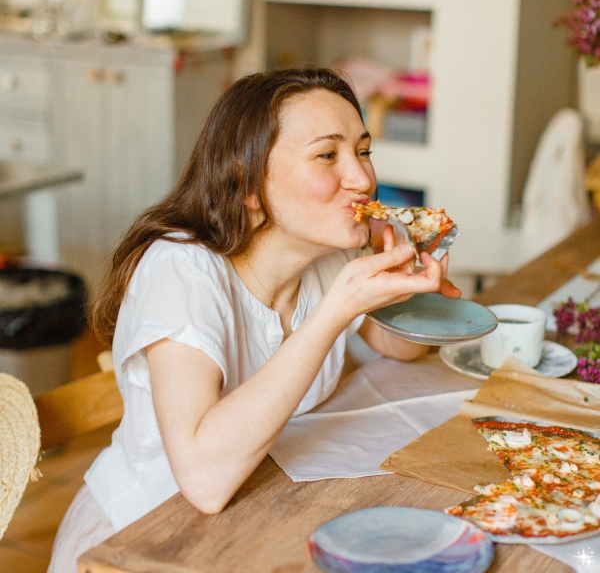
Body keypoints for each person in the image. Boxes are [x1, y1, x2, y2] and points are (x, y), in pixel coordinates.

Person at [48, 67, 460, 571]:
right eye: (327, 155)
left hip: (265, 514)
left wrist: (407, 284)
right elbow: (202, 482)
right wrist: (335, 312)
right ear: (247, 183)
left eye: (364, 151)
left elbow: (401, 348)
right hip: (144, 539)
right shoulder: (181, 269)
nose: (362, 178)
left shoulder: (328, 254)